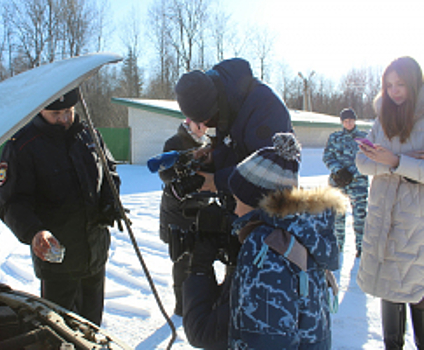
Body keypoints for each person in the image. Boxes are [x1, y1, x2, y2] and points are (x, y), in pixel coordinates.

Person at [0, 88, 121, 326]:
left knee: (92, 327)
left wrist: (110, 203)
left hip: (95, 252)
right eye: (57, 114)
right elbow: (10, 202)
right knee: (59, 331)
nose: (64, 119)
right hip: (58, 259)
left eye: (69, 111)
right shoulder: (22, 146)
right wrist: (34, 232)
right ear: (41, 109)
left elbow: (109, 172)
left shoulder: (89, 135)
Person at [227, 133, 344, 349]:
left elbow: (265, 338)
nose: (234, 209)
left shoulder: (266, 247)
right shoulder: (305, 233)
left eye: (237, 200)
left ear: (257, 203)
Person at [356, 56, 424, 349]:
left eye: (401, 84)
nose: (394, 91)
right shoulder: (381, 120)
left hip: (415, 227)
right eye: (389, 85)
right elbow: (361, 162)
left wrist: (395, 161)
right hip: (382, 222)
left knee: (417, 292)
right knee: (388, 289)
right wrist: (392, 163)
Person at [174, 57, 293, 200]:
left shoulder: (265, 106)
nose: (204, 127)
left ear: (214, 107)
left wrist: (218, 182)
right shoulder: (227, 105)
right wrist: (212, 158)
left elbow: (270, 170)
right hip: (239, 204)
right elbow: (235, 151)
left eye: (205, 120)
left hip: (269, 208)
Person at [158, 117, 210, 316]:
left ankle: (197, 301)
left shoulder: (207, 143)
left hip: (201, 204)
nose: (205, 128)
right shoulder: (174, 143)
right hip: (178, 208)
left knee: (201, 254)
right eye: (202, 124)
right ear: (191, 123)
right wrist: (185, 171)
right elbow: (164, 173)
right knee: (182, 256)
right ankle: (181, 305)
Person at [323, 107, 369, 258]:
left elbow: (368, 159)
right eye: (345, 121)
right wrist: (339, 171)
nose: (348, 123)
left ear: (355, 120)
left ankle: (361, 246)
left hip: (358, 183)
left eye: (351, 120)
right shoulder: (334, 137)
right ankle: (338, 245)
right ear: (342, 122)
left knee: (360, 216)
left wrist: (353, 173)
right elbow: (327, 156)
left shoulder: (364, 137)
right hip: (338, 182)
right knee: (337, 215)